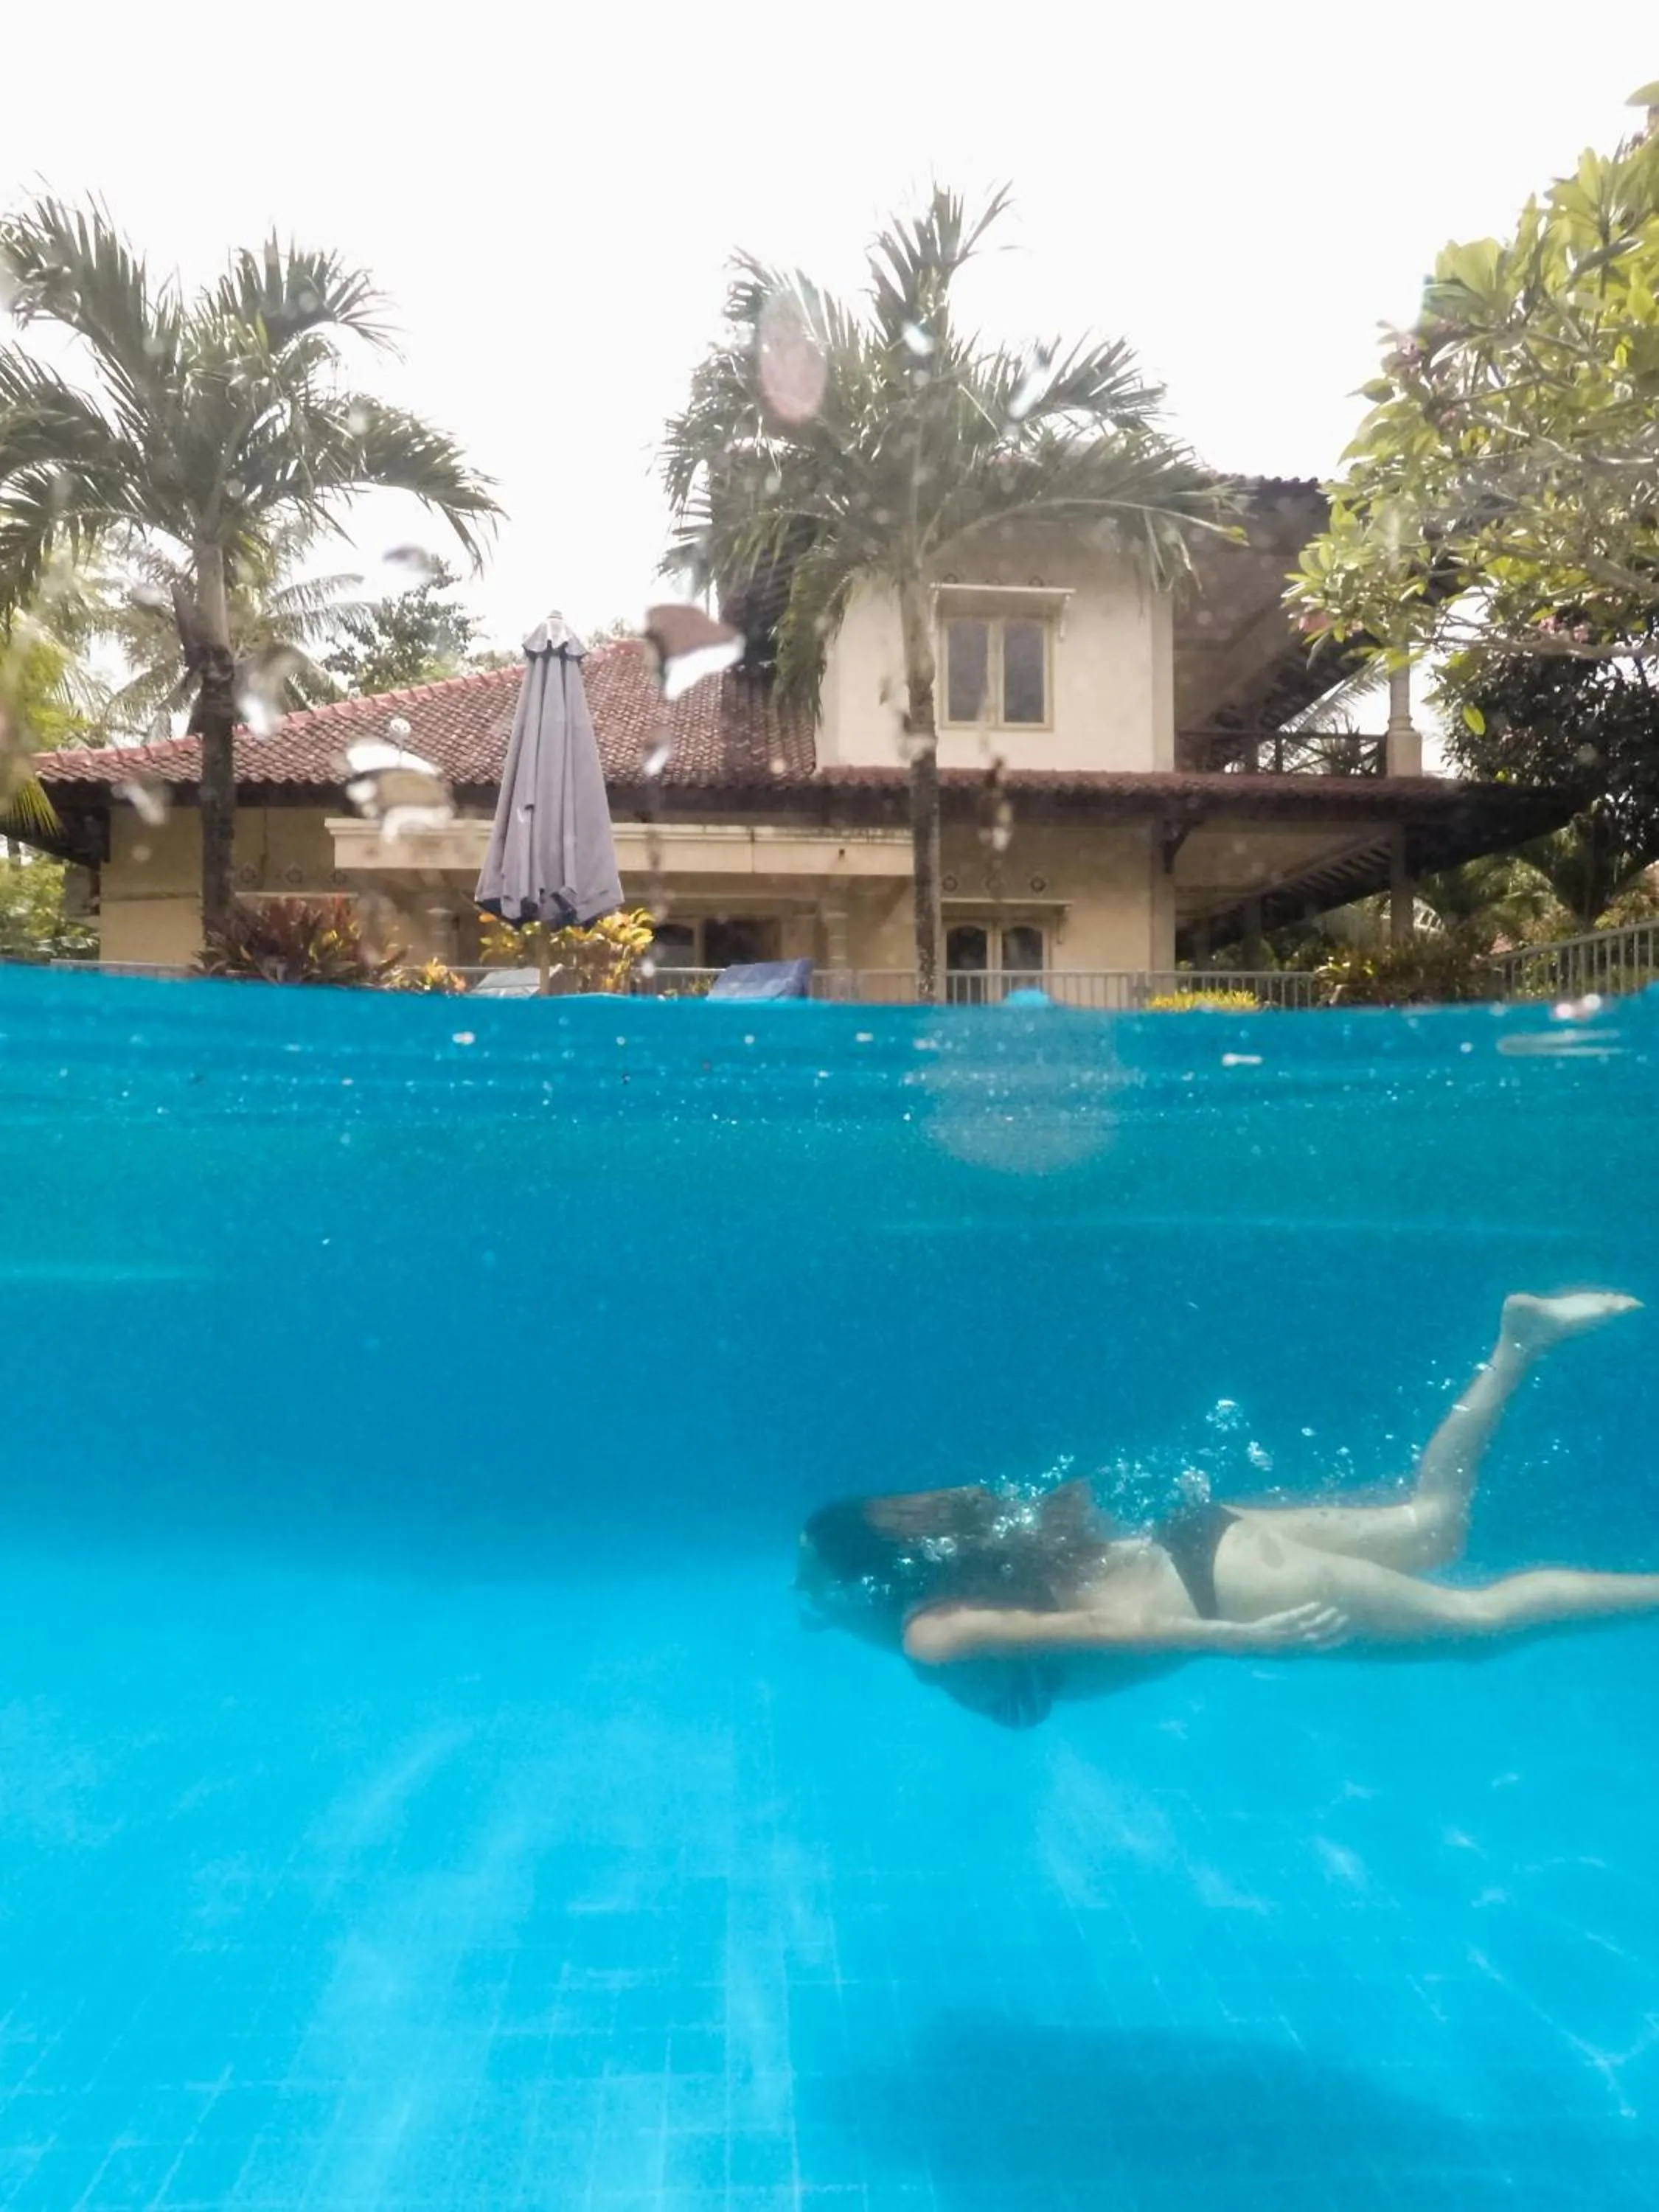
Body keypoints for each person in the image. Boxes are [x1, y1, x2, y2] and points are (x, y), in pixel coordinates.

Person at [794, 1292, 1657, 1729]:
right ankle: (1518, 1343)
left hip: (1226, 1598)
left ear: (865, 1583)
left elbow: (1107, 1638)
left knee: (1481, 1623)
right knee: (1436, 1525)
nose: (811, 1598)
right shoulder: (971, 1574)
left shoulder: (934, 1633)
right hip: (1193, 1539)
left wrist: (1234, 1641)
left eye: (818, 1586)